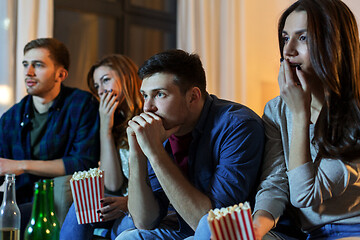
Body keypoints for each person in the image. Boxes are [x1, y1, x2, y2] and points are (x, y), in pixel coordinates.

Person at [115, 49, 265, 239]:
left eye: (160, 94)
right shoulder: (161, 127)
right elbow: (145, 221)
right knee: (127, 238)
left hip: (228, 233)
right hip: (183, 230)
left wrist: (154, 153)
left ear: (193, 96)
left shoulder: (239, 126)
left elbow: (209, 225)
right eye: (145, 95)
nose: (147, 107)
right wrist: (137, 153)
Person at [252, 0, 360, 239]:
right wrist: (255, 227)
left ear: (335, 44)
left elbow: (304, 194)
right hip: (305, 234)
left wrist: (300, 115)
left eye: (303, 38)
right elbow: (276, 180)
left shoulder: (355, 114)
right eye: (285, 38)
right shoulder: (276, 110)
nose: (288, 51)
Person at [0, 38, 100, 238]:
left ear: (60, 74)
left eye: (38, 65)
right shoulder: (11, 117)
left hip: (65, 206)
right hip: (20, 205)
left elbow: (83, 163)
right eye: (25, 64)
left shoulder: (81, 104)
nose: (29, 72)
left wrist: (21, 165)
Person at [60, 54, 143, 240]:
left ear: (126, 77)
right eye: (97, 86)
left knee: (122, 228)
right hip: (120, 202)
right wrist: (106, 128)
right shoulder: (116, 123)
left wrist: (129, 202)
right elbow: (112, 184)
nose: (101, 91)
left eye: (106, 80)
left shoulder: (148, 116)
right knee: (80, 206)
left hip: (143, 205)